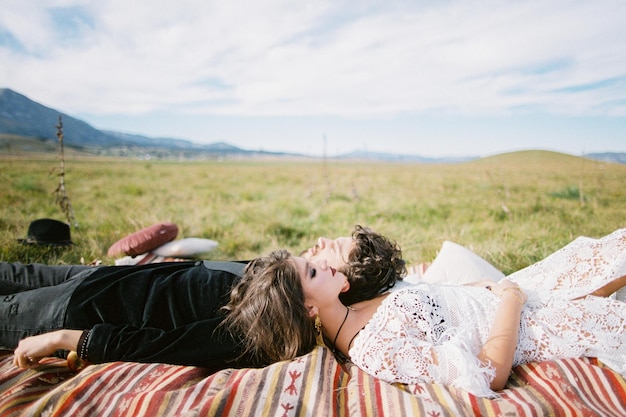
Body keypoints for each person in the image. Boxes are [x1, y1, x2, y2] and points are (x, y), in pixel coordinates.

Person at [224, 228, 626, 397]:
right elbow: (490, 372)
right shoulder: (376, 350)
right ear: (309, 306)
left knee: (608, 251)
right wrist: (511, 300)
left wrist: (487, 288)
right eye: (312, 270)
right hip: (529, 323)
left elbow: (435, 299)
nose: (322, 260)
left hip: (512, 293)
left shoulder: (350, 306)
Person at [2, 225, 405, 370]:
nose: (321, 243)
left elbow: (162, 346)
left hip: (80, 307)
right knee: (12, 271)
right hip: (105, 279)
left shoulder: (263, 324)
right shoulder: (286, 276)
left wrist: (70, 338)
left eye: (332, 251)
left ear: (344, 284)